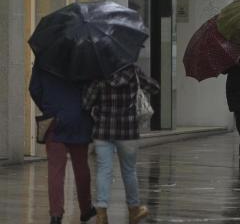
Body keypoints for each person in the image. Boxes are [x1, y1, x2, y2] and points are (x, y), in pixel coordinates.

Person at [83, 64, 159, 224]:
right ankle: (134, 210)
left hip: (103, 129)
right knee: (129, 171)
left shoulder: (99, 73)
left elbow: (86, 102)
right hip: (128, 130)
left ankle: (102, 213)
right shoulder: (132, 70)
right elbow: (154, 87)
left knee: (104, 170)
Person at [29, 65, 96, 224]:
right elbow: (92, 92)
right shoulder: (84, 57)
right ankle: (86, 209)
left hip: (54, 120)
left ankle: (56, 214)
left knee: (55, 169)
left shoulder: (44, 58)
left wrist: (47, 106)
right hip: (79, 119)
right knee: (81, 167)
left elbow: (34, 88)